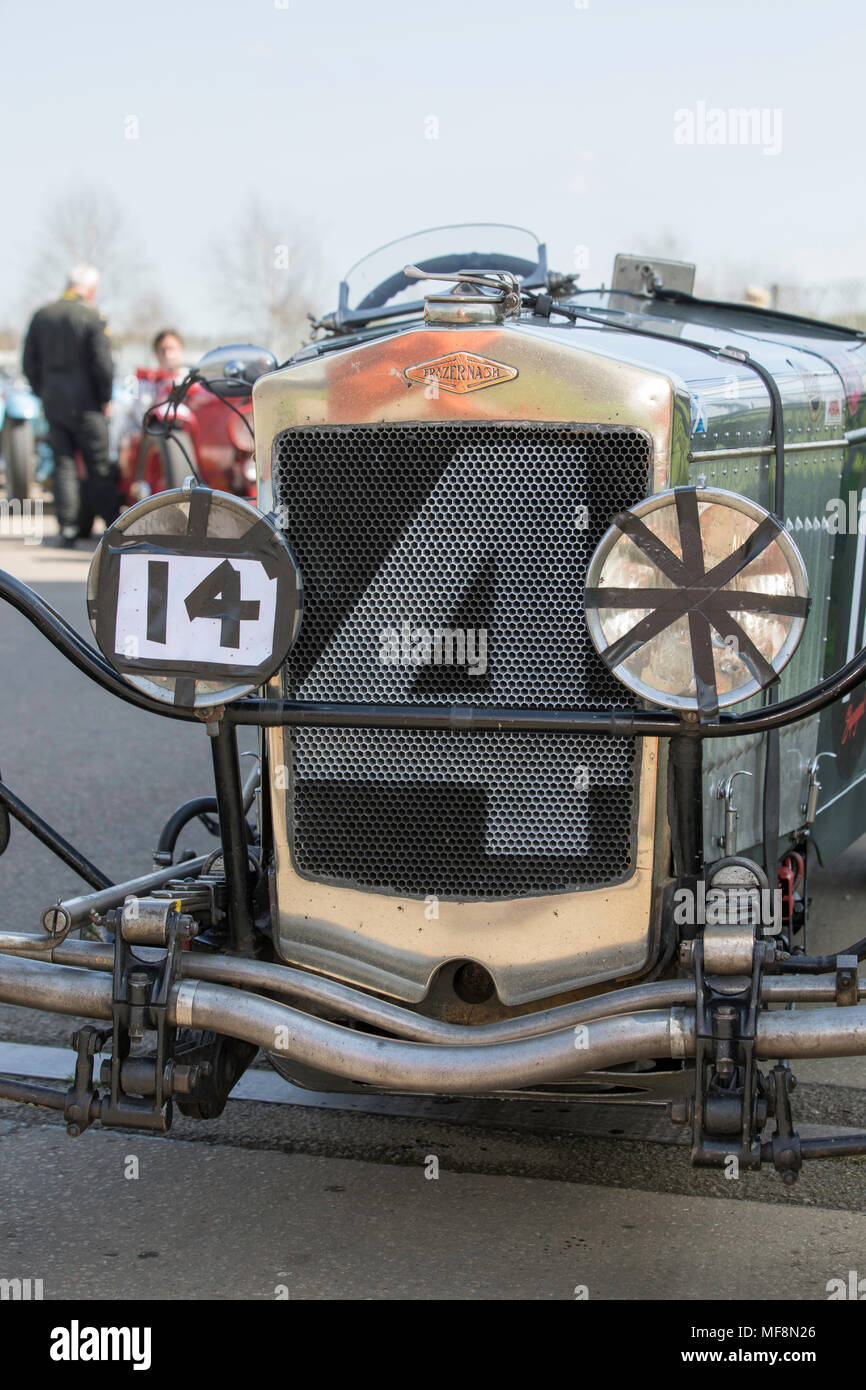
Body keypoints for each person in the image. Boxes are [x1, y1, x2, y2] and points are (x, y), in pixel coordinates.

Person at [22, 265, 118, 547]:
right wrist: (105, 397)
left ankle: (68, 528)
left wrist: (43, 391)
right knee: (98, 463)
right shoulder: (92, 316)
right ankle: (114, 526)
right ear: (91, 289)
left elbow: (29, 363)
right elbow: (103, 364)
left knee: (62, 462)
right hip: (87, 402)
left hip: (53, 399)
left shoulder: (42, 315)